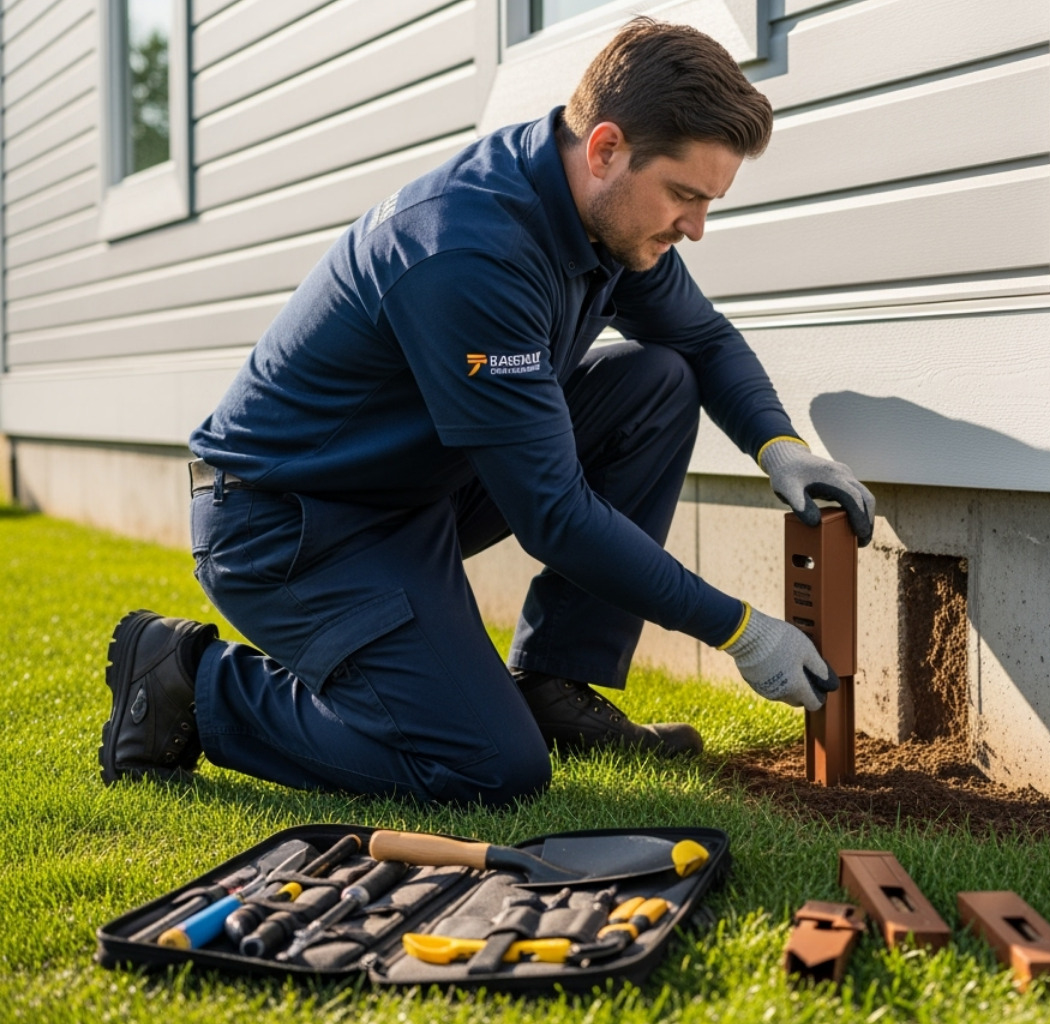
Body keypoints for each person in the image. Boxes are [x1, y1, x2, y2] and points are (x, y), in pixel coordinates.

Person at [96, 18, 875, 806]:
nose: (696, 228)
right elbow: (555, 516)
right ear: (605, 148)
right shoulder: (471, 251)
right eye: (684, 195)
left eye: (709, 202)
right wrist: (740, 630)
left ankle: (553, 688)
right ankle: (189, 683)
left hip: (409, 492)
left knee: (659, 381)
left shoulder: (600, 218)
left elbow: (701, 340)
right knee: (486, 768)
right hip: (291, 525)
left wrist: (779, 446)